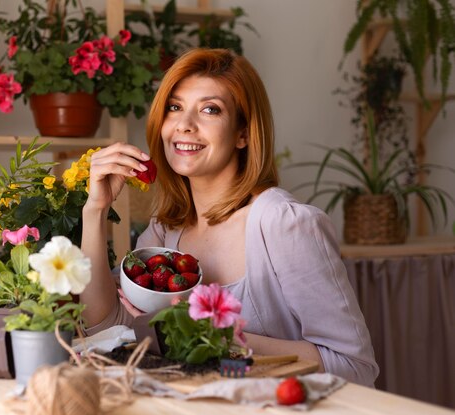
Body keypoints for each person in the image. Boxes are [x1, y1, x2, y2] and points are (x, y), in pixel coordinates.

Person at [80, 48, 378, 387]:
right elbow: (104, 326)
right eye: (175, 107)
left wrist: (218, 336)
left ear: (243, 134)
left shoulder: (284, 224)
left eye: (210, 109)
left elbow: (355, 367)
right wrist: (96, 210)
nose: (184, 125)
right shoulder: (167, 230)